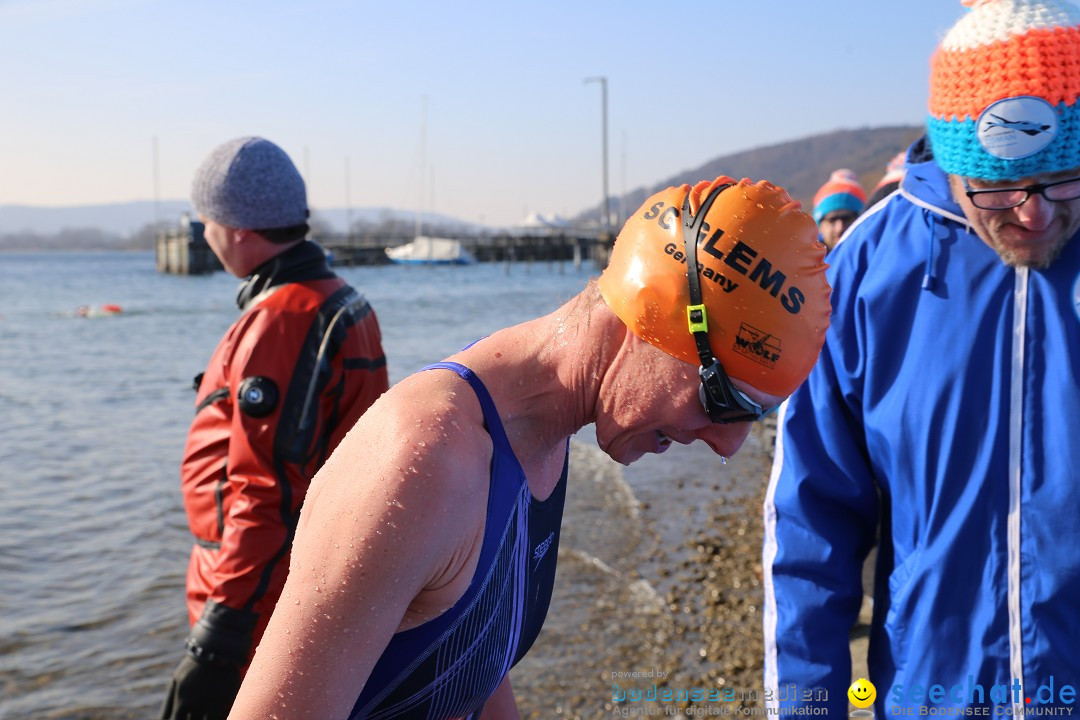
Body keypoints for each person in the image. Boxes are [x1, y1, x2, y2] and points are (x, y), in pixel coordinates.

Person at [227, 175, 832, 720]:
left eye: (761, 414)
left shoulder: (541, 436)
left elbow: (468, 661)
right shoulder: (424, 459)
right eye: (725, 398)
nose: (729, 442)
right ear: (654, 319)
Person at [764, 0, 1080, 716]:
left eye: (1064, 177)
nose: (1034, 215)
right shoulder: (865, 276)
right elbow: (810, 525)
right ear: (951, 161)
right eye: (998, 187)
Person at [159, 136, 389, 720]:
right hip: (302, 585)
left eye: (205, 221)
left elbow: (266, 495)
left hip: (261, 604)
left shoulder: (284, 320)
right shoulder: (343, 302)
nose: (204, 237)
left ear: (236, 228)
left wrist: (218, 640)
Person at [812, 169, 867, 251]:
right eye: (832, 220)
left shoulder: (872, 257)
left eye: (847, 219)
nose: (840, 228)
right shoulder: (804, 261)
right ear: (820, 226)